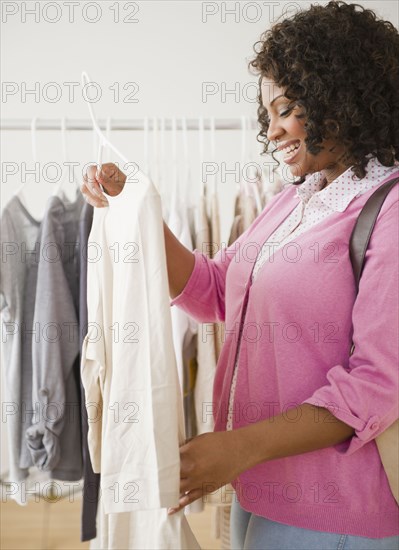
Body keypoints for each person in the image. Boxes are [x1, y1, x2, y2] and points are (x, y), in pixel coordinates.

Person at [81, 1, 399, 548]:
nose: (271, 130)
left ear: (342, 99)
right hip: (257, 489)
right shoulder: (294, 200)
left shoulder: (389, 210)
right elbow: (213, 292)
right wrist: (135, 211)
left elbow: (375, 386)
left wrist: (238, 447)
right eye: (266, 113)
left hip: (332, 509)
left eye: (286, 109)